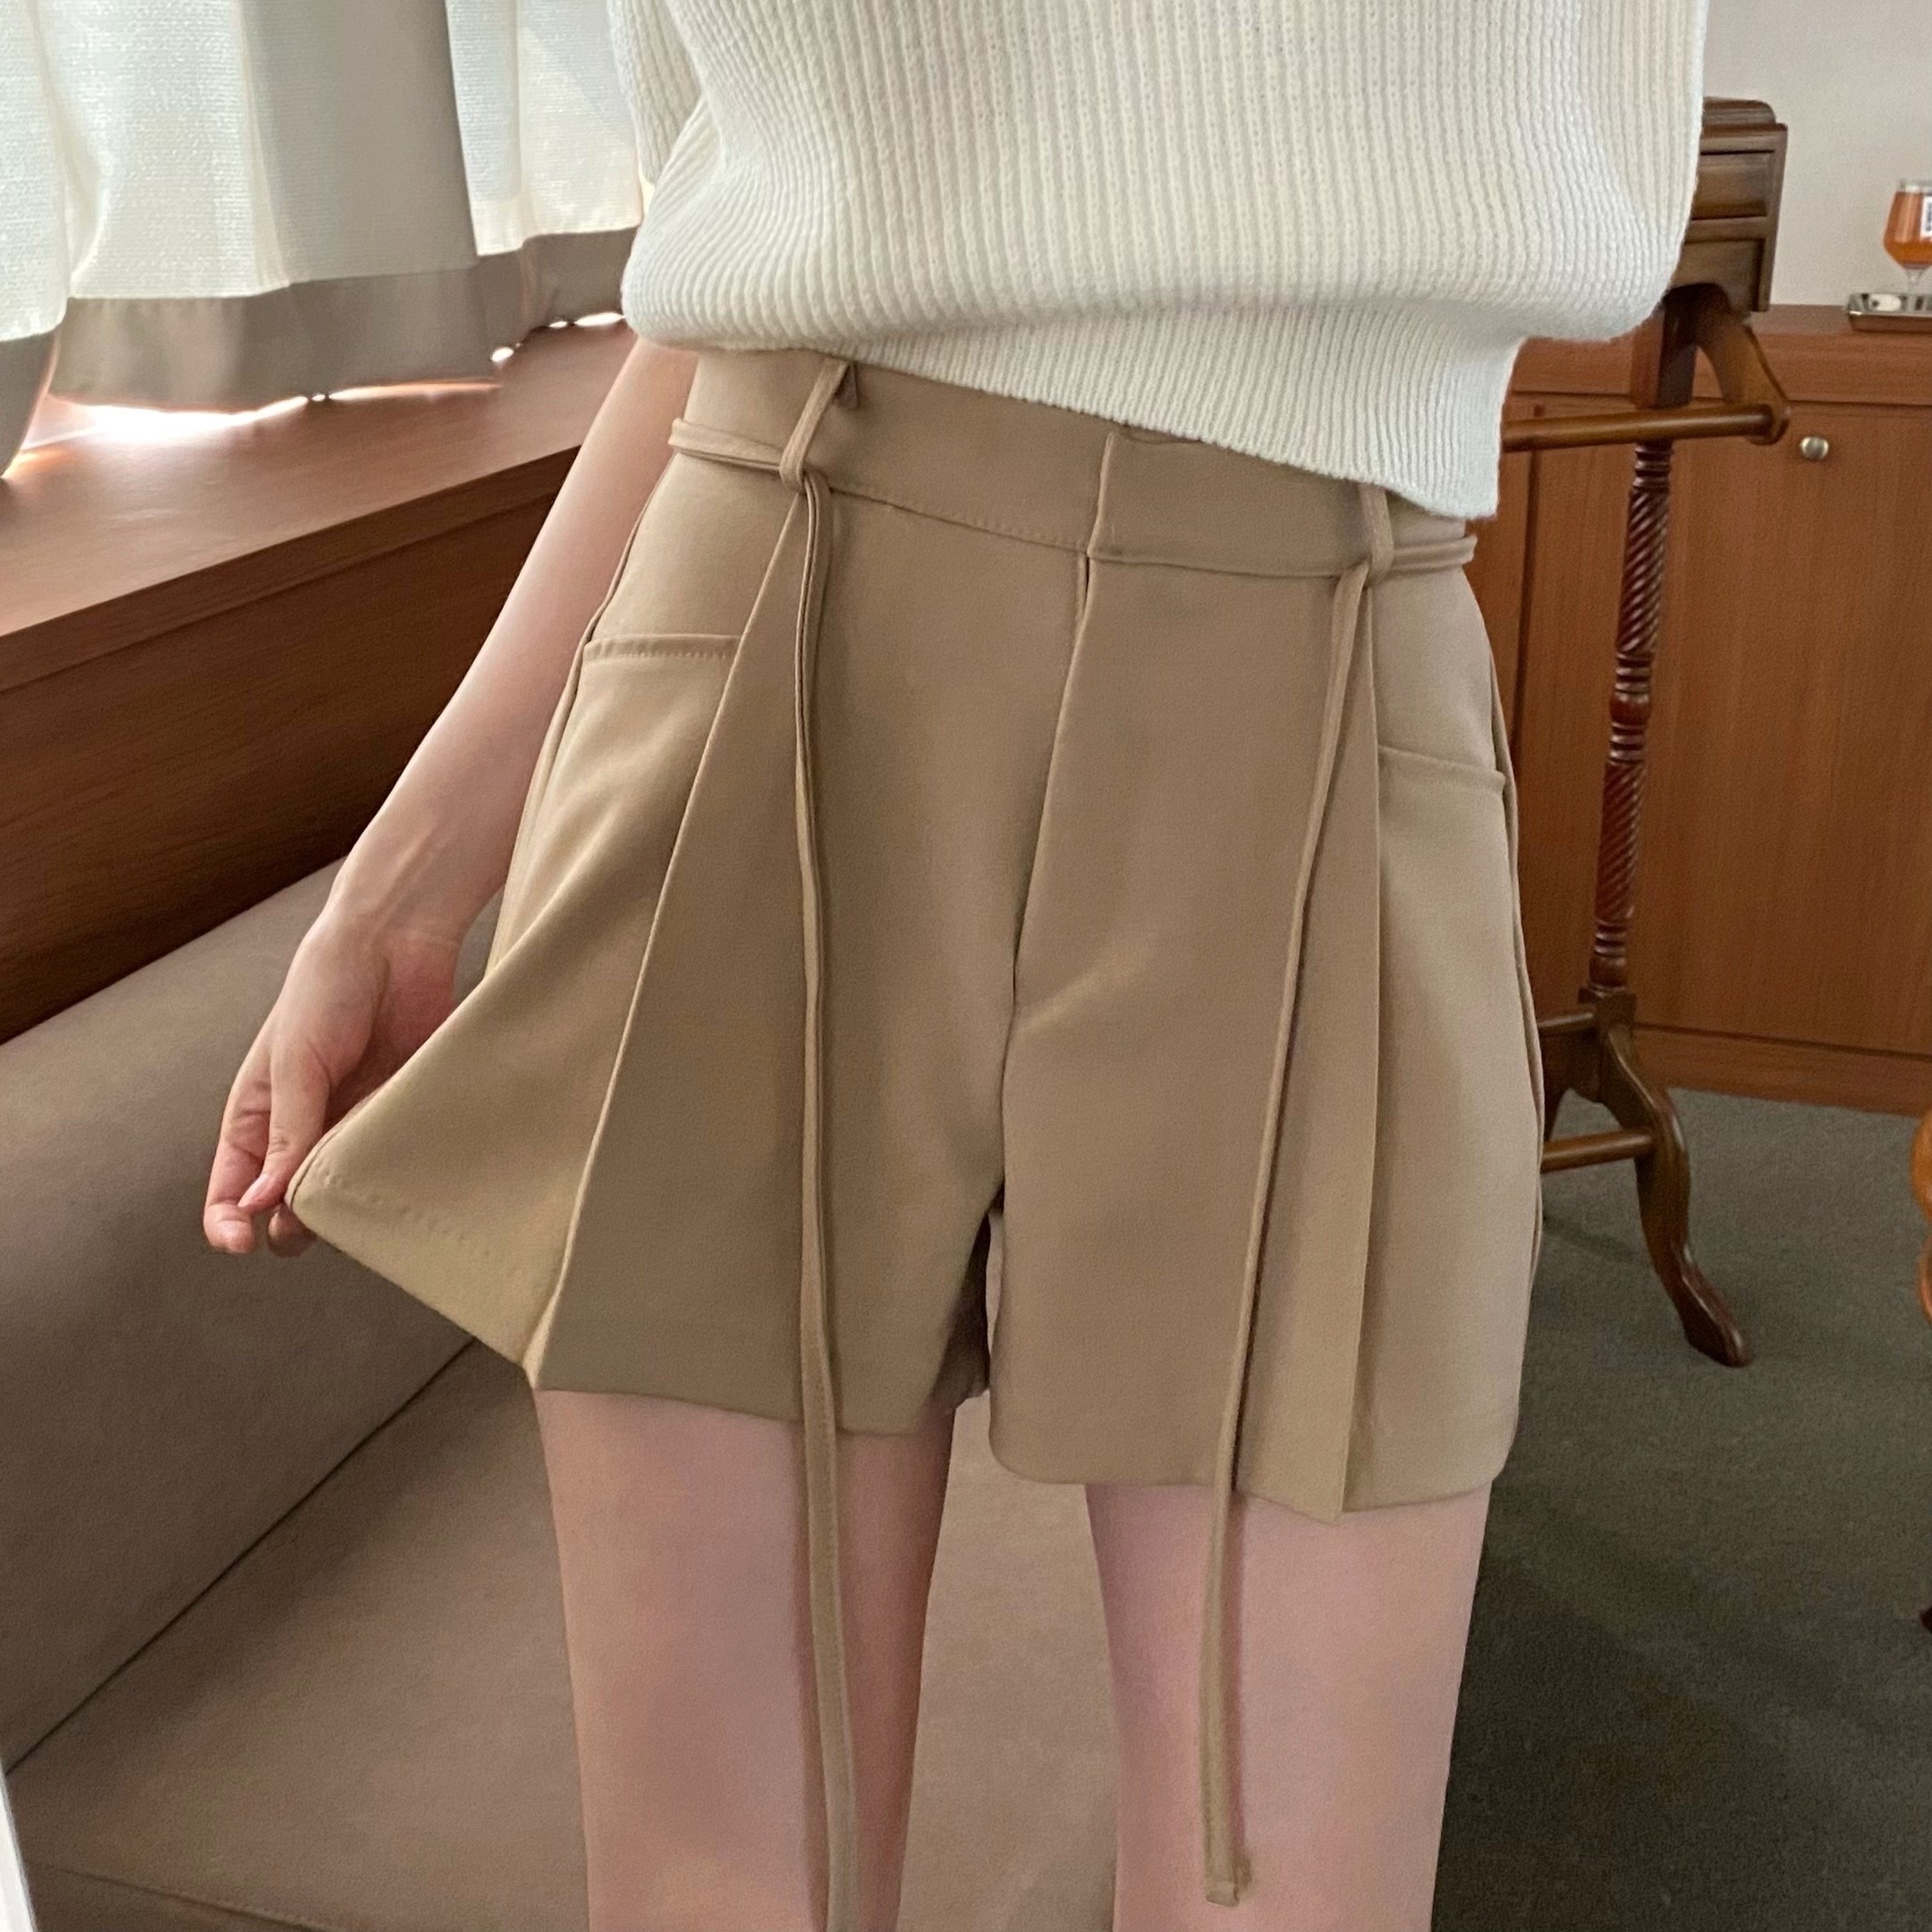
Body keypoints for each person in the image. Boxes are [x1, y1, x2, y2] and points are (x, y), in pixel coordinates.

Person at [204, 6, 1709, 1928]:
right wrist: (404, 884)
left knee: (1289, 1892)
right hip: (767, 627)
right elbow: (748, 231)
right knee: (725, 1891)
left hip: (1322, 670)